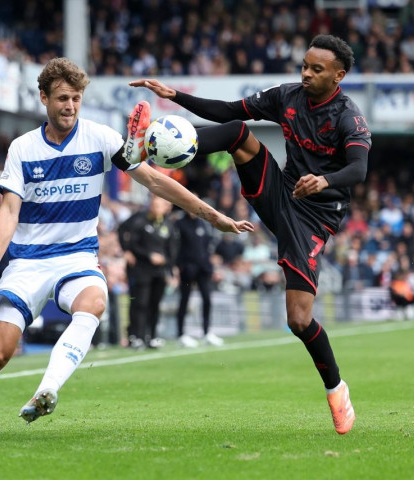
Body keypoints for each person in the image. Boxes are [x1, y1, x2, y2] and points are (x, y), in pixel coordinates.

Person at [0, 57, 253, 437]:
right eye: (62, 98)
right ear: (44, 98)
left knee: (95, 301)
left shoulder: (101, 138)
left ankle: (47, 389)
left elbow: (154, 181)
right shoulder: (22, 148)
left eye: (76, 98)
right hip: (27, 261)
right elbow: (9, 211)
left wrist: (211, 215)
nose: (70, 106)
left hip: (76, 257)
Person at [131, 34, 371, 434]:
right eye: (305, 65)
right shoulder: (287, 96)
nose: (306, 73)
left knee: (299, 320)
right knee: (238, 132)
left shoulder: (349, 117)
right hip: (282, 193)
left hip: (314, 217)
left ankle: (336, 389)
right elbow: (229, 110)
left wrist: (324, 181)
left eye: (317, 69)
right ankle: (155, 144)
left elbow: (359, 169)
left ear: (338, 75)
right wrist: (176, 96)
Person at [118, 194, 177, 349]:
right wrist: (128, 251)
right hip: (141, 269)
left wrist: (170, 267)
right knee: (140, 302)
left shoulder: (167, 224)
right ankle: (135, 336)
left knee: (154, 304)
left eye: (160, 206)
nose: (156, 209)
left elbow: (172, 249)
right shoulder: (139, 220)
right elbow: (131, 241)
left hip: (159, 272)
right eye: (154, 205)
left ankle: (152, 336)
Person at [173, 207, 222, 347]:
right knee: (184, 300)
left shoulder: (203, 224)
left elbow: (207, 247)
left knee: (207, 299)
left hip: (203, 268)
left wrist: (211, 267)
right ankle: (181, 334)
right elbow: (175, 247)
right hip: (187, 268)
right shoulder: (179, 224)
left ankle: (207, 332)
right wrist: (177, 265)